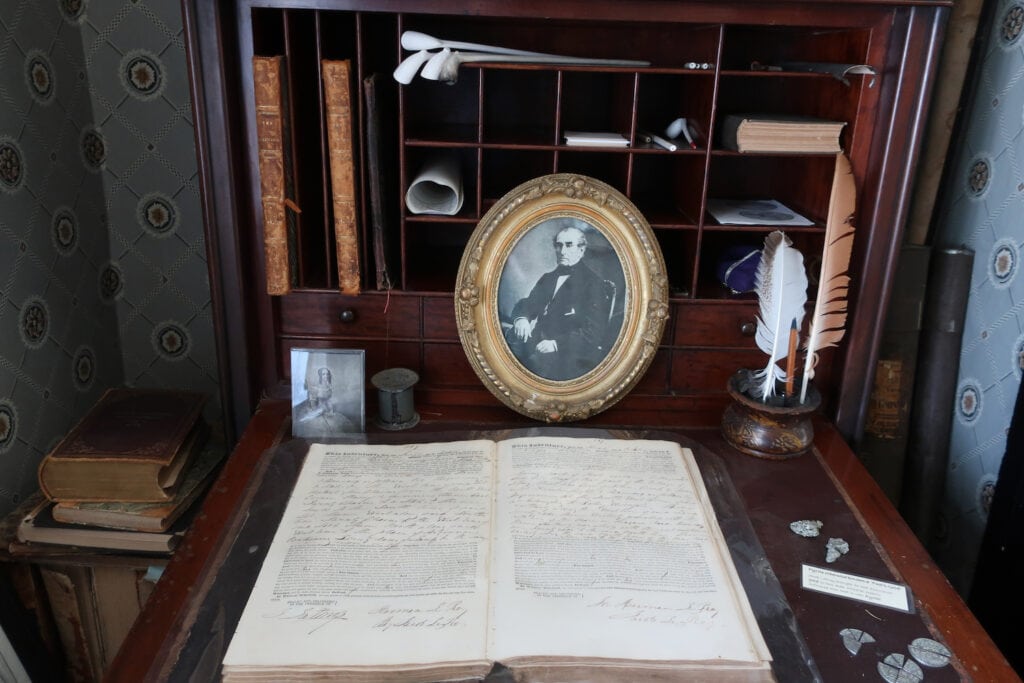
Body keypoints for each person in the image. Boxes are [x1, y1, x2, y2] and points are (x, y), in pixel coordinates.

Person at [506, 225, 611, 380]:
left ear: (581, 250)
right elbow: (529, 303)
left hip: (568, 353)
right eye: (559, 245)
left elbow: (593, 333)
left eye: (569, 245)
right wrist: (522, 319)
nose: (562, 251)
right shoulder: (549, 277)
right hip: (536, 341)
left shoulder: (594, 284)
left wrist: (556, 344)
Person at [293, 366, 356, 436]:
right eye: (323, 374)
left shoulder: (329, 386)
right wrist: (317, 410)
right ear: (320, 375)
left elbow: (329, 400)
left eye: (327, 374)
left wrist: (330, 409)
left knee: (338, 425)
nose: (325, 376)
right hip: (318, 410)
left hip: (328, 409)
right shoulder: (316, 388)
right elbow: (312, 401)